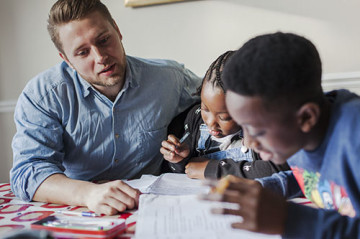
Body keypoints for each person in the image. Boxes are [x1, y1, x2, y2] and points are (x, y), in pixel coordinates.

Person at [10, 0, 200, 215]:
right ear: (67, 60)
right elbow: (27, 173)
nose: (101, 58)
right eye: (82, 52)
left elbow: (222, 99)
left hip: (154, 205)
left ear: (117, 31)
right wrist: (88, 194)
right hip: (80, 208)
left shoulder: (170, 78)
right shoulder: (43, 95)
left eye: (104, 40)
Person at [202, 32, 360, 238]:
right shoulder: (300, 135)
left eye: (256, 131)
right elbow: (310, 177)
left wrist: (290, 220)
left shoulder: (354, 142)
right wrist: (263, 188)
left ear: (306, 118)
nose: (248, 142)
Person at [160, 51, 289, 180]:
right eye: (205, 108)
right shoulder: (196, 119)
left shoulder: (265, 132)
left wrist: (211, 169)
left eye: (224, 118)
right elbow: (183, 170)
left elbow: (277, 169)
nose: (210, 123)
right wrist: (178, 160)